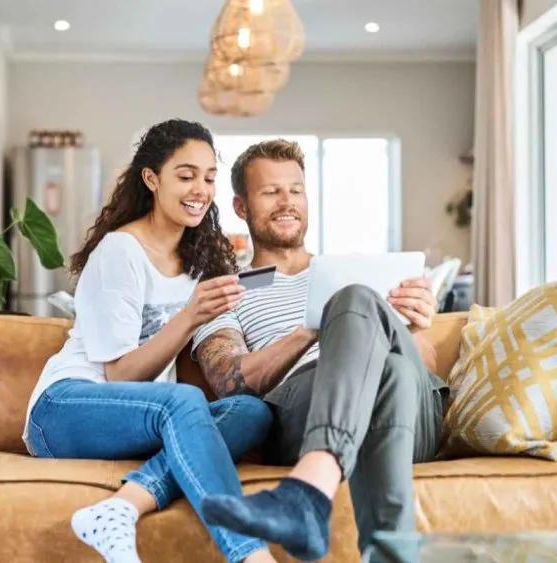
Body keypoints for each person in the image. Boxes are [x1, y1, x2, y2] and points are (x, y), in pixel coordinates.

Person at [23, 119, 276, 563]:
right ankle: (250, 555)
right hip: (64, 409)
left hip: (138, 419)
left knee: (252, 412)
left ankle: (121, 506)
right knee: (180, 402)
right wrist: (190, 314)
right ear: (152, 178)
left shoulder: (198, 261)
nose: (200, 188)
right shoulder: (121, 251)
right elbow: (119, 373)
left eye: (209, 177)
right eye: (186, 175)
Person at [191, 139, 449, 561]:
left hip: (418, 418)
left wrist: (418, 327)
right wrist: (316, 329)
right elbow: (228, 381)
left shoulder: (360, 274)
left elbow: (424, 367)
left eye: (295, 190)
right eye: (270, 192)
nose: (286, 202)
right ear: (241, 207)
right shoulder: (228, 289)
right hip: (301, 408)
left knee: (393, 359)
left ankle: (307, 492)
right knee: (390, 371)